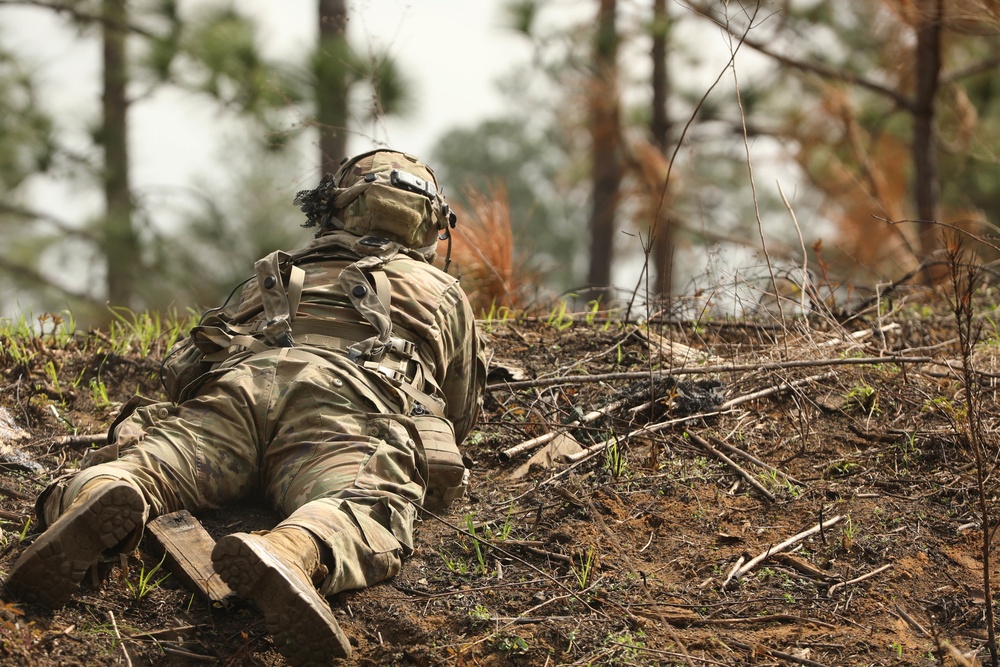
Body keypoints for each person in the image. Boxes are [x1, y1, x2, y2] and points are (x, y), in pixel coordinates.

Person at [3, 149, 486, 666]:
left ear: (338, 208)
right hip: (344, 406)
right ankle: (292, 550)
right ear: (430, 224)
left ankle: (104, 492)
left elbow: (185, 370)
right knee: (362, 499)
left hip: (241, 387)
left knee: (151, 463)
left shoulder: (276, 273)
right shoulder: (442, 292)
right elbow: (459, 415)